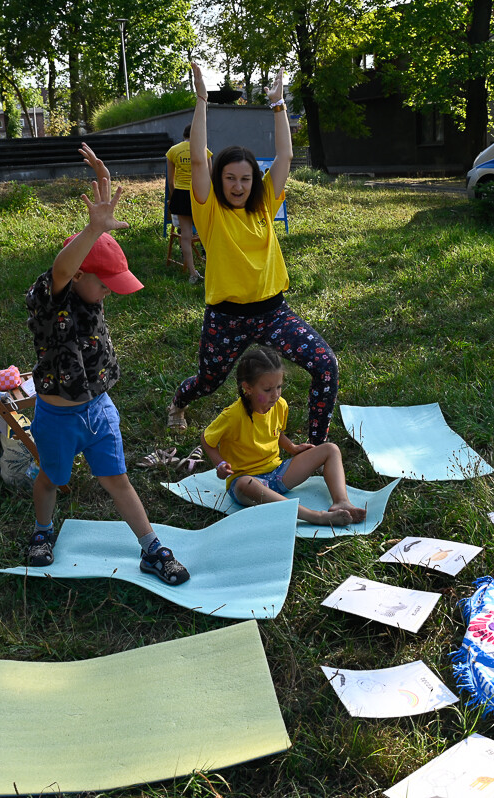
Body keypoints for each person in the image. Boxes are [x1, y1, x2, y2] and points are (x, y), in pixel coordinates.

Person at [24, 143, 189, 585]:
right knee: (51, 479)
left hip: (98, 409)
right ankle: (43, 532)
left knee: (117, 479)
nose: (111, 291)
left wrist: (104, 185)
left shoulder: (89, 290)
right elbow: (63, 266)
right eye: (106, 283)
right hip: (58, 416)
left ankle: (151, 548)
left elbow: (90, 248)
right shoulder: (53, 299)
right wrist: (90, 231)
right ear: (78, 276)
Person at [166, 62, 339, 446]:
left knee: (325, 365)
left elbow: (285, 157)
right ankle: (178, 402)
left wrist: (278, 105)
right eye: (230, 177)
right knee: (209, 382)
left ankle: (315, 445)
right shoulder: (208, 211)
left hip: (273, 312)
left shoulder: (263, 205)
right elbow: (197, 160)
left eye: (245, 178)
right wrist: (201, 101)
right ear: (218, 179)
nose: (238, 185)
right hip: (227, 318)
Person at [201, 346, 365, 527]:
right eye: (267, 389)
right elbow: (207, 440)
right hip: (247, 482)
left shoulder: (280, 405)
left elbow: (275, 432)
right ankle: (314, 516)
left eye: (279, 386)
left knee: (330, 449)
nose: (276, 394)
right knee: (244, 484)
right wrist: (221, 464)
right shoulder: (232, 416)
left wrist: (292, 448)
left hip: (278, 474)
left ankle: (342, 501)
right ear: (247, 388)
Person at [166, 124, 211, 284]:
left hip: (181, 193)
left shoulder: (173, 151)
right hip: (199, 193)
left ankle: (193, 273)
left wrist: (174, 195)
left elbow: (170, 180)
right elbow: (210, 176)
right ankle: (213, 269)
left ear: (183, 134)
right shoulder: (204, 151)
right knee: (207, 233)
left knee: (185, 235)